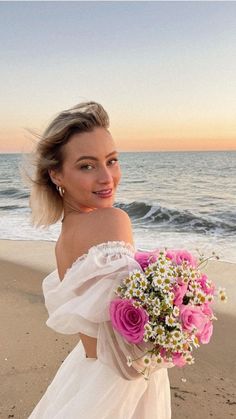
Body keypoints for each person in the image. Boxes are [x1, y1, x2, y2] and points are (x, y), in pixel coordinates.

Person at [27, 101, 172, 418]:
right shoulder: (112, 220)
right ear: (57, 175)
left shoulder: (64, 238)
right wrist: (176, 322)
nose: (107, 177)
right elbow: (130, 338)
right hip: (120, 382)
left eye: (112, 160)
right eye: (87, 166)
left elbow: (93, 337)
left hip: (87, 372)